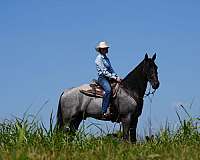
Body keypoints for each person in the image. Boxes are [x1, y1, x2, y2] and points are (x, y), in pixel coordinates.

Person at [95, 41, 121, 118]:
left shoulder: (107, 58)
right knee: (108, 90)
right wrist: (114, 77)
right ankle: (103, 111)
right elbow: (104, 72)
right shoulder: (99, 59)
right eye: (105, 48)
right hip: (102, 78)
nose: (106, 49)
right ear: (101, 49)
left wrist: (117, 77)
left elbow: (111, 69)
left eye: (106, 48)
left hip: (109, 77)